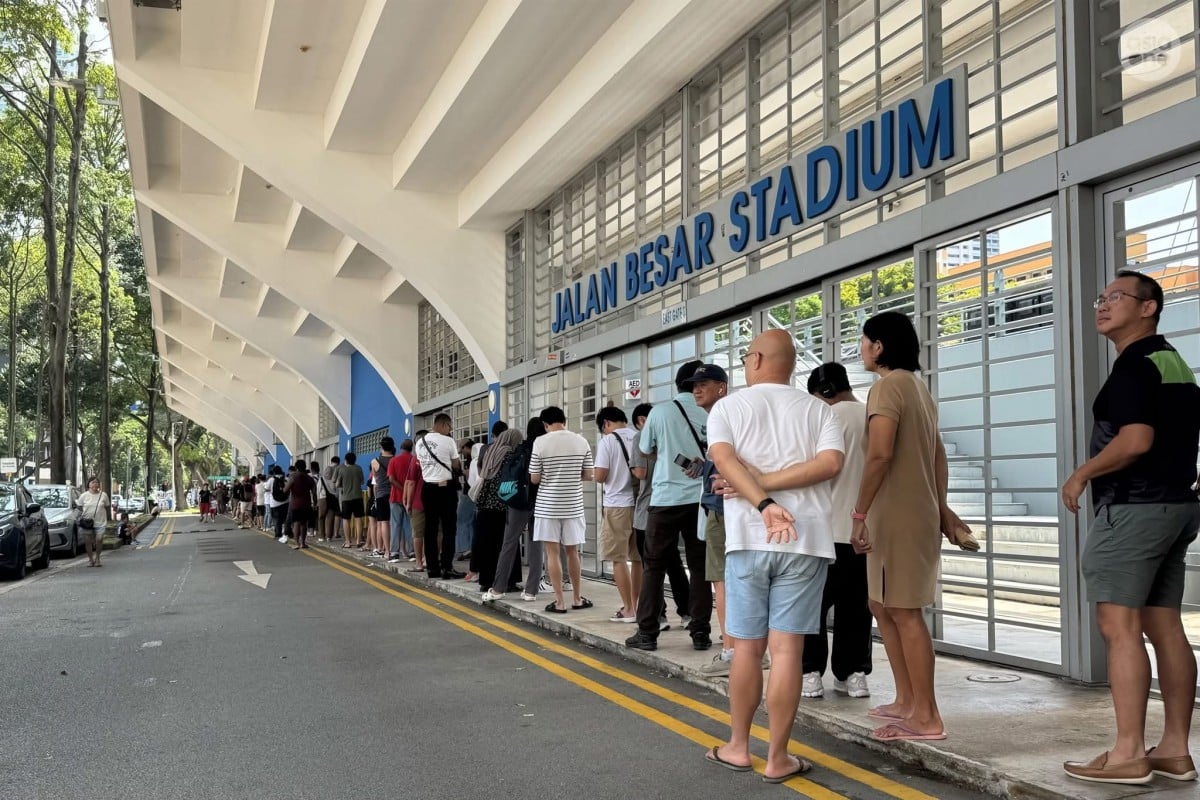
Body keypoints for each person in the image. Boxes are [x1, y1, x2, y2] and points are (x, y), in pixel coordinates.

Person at [1061, 271, 1200, 785]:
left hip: (1134, 509)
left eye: (1117, 298)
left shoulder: (1135, 368)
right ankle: (1174, 750)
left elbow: (1136, 440)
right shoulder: (1174, 362)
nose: (1103, 305)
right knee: (1164, 626)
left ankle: (1127, 754)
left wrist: (1082, 473)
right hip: (1176, 506)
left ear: (1149, 308)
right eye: (1101, 297)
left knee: (1119, 628)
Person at [704, 329, 844, 781]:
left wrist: (761, 496)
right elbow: (829, 464)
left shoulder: (729, 407)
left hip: (748, 539)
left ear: (759, 358)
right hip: (805, 542)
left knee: (747, 650)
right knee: (787, 652)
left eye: (746, 356)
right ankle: (778, 757)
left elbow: (724, 461)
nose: (745, 362)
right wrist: (773, 486)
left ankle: (739, 747)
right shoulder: (819, 410)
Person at [851, 311, 968, 743]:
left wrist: (859, 513)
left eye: (864, 341)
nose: (861, 349)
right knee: (883, 606)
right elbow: (938, 454)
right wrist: (941, 507)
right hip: (912, 510)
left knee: (902, 610)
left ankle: (928, 716)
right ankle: (906, 700)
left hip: (895, 513)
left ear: (879, 346)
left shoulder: (887, 386)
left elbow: (879, 455)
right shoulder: (918, 388)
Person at [627, 360, 713, 652]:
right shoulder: (711, 412)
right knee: (700, 567)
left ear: (678, 384)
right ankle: (700, 632)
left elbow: (645, 449)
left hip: (664, 500)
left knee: (654, 566)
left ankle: (647, 633)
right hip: (701, 500)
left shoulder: (661, 411)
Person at [801, 362, 872, 699]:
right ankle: (853, 674)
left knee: (812, 605)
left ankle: (811, 673)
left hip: (824, 529)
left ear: (825, 392)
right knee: (857, 608)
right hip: (864, 531)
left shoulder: (827, 419)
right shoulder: (874, 415)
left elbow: (814, 471)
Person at [630, 403, 690, 631]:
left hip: (649, 509)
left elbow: (641, 472)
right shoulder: (673, 437)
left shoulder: (640, 438)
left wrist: (632, 467)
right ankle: (687, 613)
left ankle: (658, 617)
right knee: (675, 563)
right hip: (674, 505)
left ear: (642, 420)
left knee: (651, 568)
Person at [529, 406, 594, 613]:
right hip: (573, 505)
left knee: (552, 553)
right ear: (564, 420)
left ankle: (559, 602)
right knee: (572, 552)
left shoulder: (540, 442)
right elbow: (589, 475)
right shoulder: (581, 440)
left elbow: (535, 478)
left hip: (548, 506)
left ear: (546, 425)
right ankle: (576, 598)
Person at [488, 417, 546, 600]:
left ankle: (498, 589)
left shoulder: (519, 449)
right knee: (537, 545)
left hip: (517, 503)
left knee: (509, 543)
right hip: (540, 503)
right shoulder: (544, 450)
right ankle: (531, 591)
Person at [594, 406, 640, 623]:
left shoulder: (608, 441)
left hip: (616, 506)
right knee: (638, 559)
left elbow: (601, 475)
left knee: (618, 559)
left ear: (606, 424)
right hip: (640, 504)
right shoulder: (639, 436)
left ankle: (629, 609)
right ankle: (638, 606)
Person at [475, 428, 524, 595]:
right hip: (502, 504)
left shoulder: (491, 451)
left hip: (485, 506)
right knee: (506, 544)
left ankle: (486, 580)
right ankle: (508, 581)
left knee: (488, 545)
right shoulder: (509, 454)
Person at [416, 414, 464, 579]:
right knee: (449, 528)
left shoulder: (419, 442)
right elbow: (456, 466)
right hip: (445, 489)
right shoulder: (448, 441)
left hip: (427, 488)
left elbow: (420, 464)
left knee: (430, 529)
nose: (450, 431)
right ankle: (447, 567)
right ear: (444, 425)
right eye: (449, 427)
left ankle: (432, 568)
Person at [386, 440, 416, 563]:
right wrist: (407, 492)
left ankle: (394, 553)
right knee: (410, 525)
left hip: (395, 498)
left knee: (395, 525)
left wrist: (402, 490)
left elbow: (391, 479)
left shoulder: (393, 460)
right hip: (411, 498)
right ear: (411, 448)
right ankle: (412, 552)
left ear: (400, 448)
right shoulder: (414, 460)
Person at [368, 439, 397, 558]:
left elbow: (375, 480)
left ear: (381, 447)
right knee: (395, 523)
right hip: (395, 494)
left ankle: (386, 550)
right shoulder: (396, 460)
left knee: (383, 522)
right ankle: (398, 549)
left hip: (381, 494)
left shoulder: (375, 461)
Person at [77, 476, 112, 568]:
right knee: (88, 542)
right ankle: (90, 559)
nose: (95, 484)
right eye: (92, 482)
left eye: (96, 482)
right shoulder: (83, 496)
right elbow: (79, 507)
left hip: (100, 522)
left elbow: (107, 506)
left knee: (99, 539)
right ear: (88, 484)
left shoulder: (103, 495)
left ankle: (98, 558)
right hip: (87, 522)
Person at [335, 452, 366, 549]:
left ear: (346, 460)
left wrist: (343, 485)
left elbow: (337, 484)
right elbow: (362, 481)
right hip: (358, 497)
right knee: (358, 519)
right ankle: (358, 540)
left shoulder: (342, 470)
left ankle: (348, 542)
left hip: (346, 498)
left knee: (346, 519)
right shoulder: (359, 468)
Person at [286, 460, 318, 550]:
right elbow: (314, 493)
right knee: (304, 524)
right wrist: (315, 503)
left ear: (296, 468)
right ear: (305, 467)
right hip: (306, 504)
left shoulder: (293, 477)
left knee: (296, 523)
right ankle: (303, 543)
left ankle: (297, 543)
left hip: (295, 503)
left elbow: (285, 490)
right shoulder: (309, 478)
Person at [457, 439, 477, 567]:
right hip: (473, 494)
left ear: (466, 447)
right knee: (472, 522)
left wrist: (461, 471)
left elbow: (470, 477)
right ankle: (471, 547)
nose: (461, 453)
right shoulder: (473, 458)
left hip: (469, 494)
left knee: (462, 520)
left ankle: (465, 548)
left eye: (462, 449)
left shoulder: (472, 460)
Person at [267, 466, 290, 542]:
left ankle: (278, 534)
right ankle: (287, 533)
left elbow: (266, 488)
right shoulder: (286, 479)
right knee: (285, 519)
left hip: (274, 503)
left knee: (277, 519)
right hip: (286, 501)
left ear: (273, 472)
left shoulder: (271, 480)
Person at [321, 457, 341, 540]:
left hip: (327, 494)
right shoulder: (339, 469)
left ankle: (326, 533)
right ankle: (336, 533)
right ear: (338, 462)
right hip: (337, 494)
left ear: (331, 461)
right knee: (337, 514)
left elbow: (323, 482)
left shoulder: (327, 469)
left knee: (327, 515)